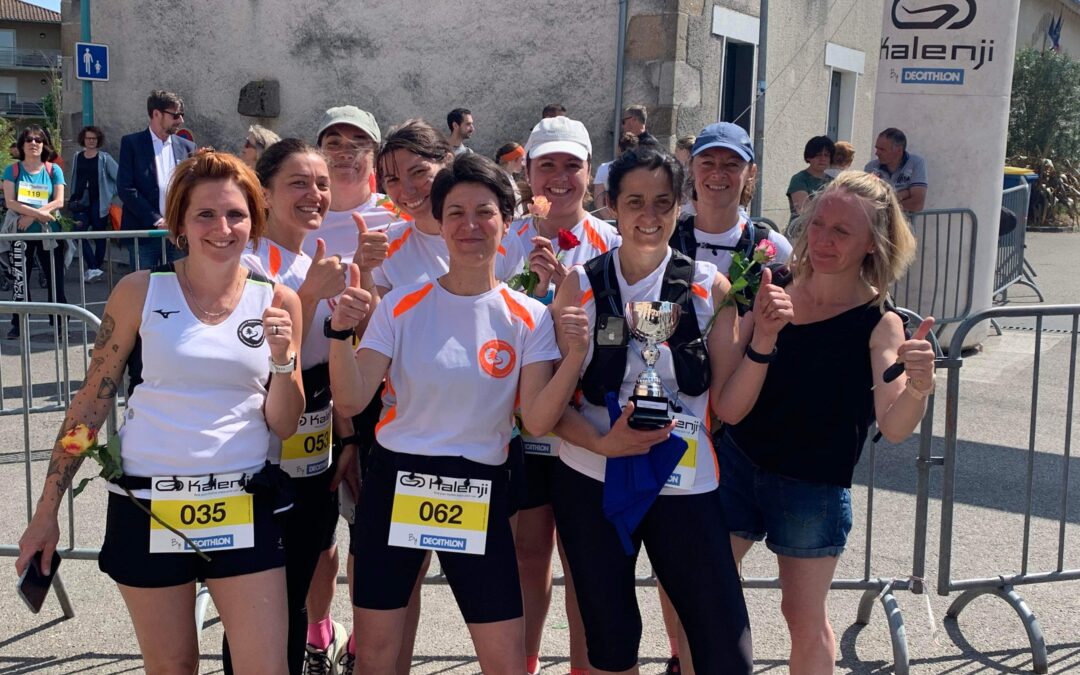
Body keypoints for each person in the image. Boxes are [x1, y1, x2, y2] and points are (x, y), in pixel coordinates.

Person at [16, 149, 305, 674]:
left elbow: (284, 423)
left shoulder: (277, 300)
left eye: (236, 214)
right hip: (149, 506)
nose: (223, 228)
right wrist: (46, 511)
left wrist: (284, 362)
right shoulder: (139, 292)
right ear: (179, 223)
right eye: (205, 214)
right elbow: (90, 404)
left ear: (255, 221)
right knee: (171, 667)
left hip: (241, 503)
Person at [329, 152, 586, 673]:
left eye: (485, 212)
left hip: (478, 488)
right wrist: (339, 333)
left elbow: (537, 421)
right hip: (397, 481)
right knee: (377, 653)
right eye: (456, 213)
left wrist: (574, 355)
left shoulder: (530, 316)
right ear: (440, 225)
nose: (470, 226)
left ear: (506, 222)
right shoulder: (400, 304)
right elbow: (353, 399)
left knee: (505, 659)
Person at [714, 170, 935, 674]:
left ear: (872, 245)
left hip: (813, 488)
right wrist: (761, 334)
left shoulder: (881, 321)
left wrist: (920, 386)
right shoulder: (774, 287)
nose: (824, 240)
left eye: (843, 232)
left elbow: (896, 425)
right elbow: (729, 400)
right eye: (819, 224)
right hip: (739, 464)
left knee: (803, 616)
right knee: (706, 591)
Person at [549, 147, 754, 674]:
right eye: (634, 201)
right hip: (594, 476)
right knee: (610, 640)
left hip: (685, 481)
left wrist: (766, 342)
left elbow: (727, 404)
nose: (649, 215)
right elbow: (547, 406)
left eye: (663, 202)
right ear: (611, 205)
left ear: (680, 205)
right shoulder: (579, 284)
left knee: (723, 645)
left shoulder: (711, 286)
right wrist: (601, 442)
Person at [229, 138, 352, 674]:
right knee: (258, 602)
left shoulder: (311, 258)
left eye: (322, 184)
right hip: (258, 452)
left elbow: (327, 365)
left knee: (298, 587)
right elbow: (247, 350)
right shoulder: (246, 258)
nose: (314, 195)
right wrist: (307, 297)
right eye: (299, 183)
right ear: (266, 192)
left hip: (314, 446)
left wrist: (345, 438)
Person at [301, 104, 401, 674]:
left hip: (373, 388)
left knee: (369, 527)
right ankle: (319, 633)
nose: (343, 151)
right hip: (310, 387)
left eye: (355, 142)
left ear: (374, 155)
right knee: (318, 526)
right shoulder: (300, 212)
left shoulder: (393, 217)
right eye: (332, 141)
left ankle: (364, 635)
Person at [671, 122, 792, 280]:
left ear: (751, 172)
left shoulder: (773, 246)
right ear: (692, 168)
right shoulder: (666, 239)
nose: (718, 173)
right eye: (707, 163)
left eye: (731, 164)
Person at [117, 89, 197, 270]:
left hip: (178, 235)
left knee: (178, 285)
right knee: (145, 288)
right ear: (156, 114)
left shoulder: (187, 147)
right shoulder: (132, 144)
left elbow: (192, 189)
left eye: (182, 115)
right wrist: (159, 221)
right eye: (175, 115)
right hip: (146, 233)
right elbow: (126, 188)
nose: (181, 121)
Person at [3, 125, 66, 339]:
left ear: (44, 144)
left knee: (55, 279)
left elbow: (58, 201)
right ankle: (18, 324)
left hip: (49, 234)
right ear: (21, 145)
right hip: (21, 235)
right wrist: (34, 214)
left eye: (38, 140)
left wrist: (34, 215)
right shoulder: (12, 171)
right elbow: (11, 202)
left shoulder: (53, 170)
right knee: (20, 280)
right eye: (29, 139)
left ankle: (59, 324)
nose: (33, 143)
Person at [68, 125, 119, 283]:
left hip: (99, 202)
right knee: (78, 232)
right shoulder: (78, 156)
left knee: (99, 235)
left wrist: (110, 194)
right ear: (83, 139)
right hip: (80, 201)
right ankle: (93, 267)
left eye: (94, 139)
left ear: (98, 140)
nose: (91, 141)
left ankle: (95, 268)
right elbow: (75, 177)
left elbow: (119, 177)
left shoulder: (104, 158)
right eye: (88, 138)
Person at [864, 128, 927, 212]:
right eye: (877, 148)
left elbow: (917, 204)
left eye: (882, 149)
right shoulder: (871, 167)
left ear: (899, 151)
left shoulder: (915, 163)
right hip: (878, 225)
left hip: (903, 225)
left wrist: (884, 205)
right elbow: (867, 202)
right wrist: (904, 194)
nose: (877, 153)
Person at [787, 135, 835, 224]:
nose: (823, 159)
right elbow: (804, 210)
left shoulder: (834, 181)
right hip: (801, 231)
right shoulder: (799, 179)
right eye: (818, 155)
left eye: (827, 155)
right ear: (809, 156)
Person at [593, 132, 639, 220]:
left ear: (618, 149)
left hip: (611, 219)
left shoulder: (603, 168)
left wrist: (611, 220)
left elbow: (599, 201)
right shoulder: (641, 171)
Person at [494, 142, 526, 218]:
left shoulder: (508, 177)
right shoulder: (501, 180)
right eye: (521, 160)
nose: (523, 164)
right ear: (513, 159)